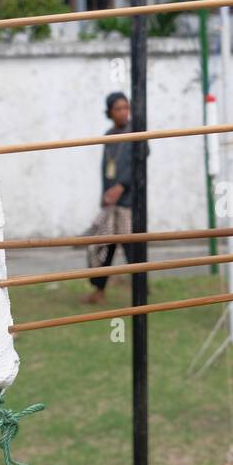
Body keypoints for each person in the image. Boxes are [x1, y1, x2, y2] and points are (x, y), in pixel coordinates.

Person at [82, 92, 143, 305]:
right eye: (118, 108)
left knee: (131, 247)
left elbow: (139, 163)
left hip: (128, 204)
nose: (123, 112)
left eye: (126, 107)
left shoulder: (135, 132)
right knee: (104, 246)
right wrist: (106, 192)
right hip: (112, 204)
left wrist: (121, 186)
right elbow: (107, 170)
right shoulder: (109, 135)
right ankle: (99, 290)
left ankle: (141, 289)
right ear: (109, 112)